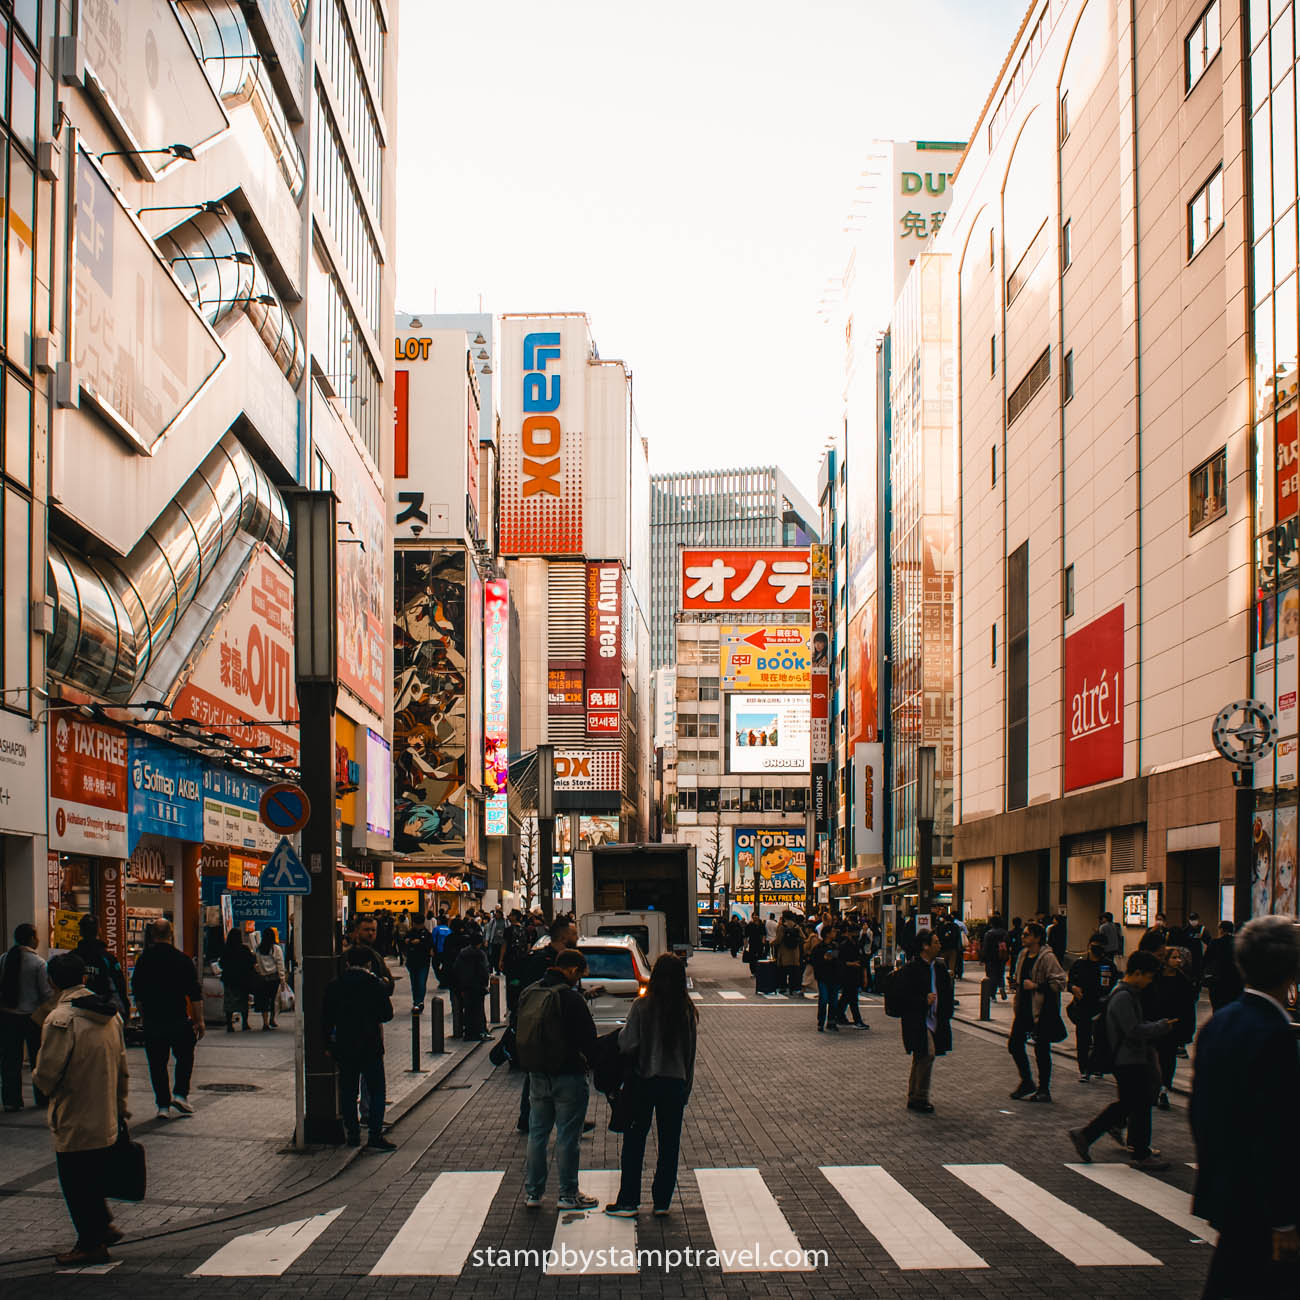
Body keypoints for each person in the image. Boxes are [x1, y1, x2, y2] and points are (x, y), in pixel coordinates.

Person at [1190, 915, 1300, 1298]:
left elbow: (1201, 1114)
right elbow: (1278, 1132)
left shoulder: (1218, 1025)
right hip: (1263, 1206)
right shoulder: (1278, 1036)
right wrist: (1285, 1219)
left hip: (1226, 1191)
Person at [32, 953, 129, 1266]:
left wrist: (39, 1083)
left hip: (74, 1115)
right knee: (91, 1177)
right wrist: (121, 1107)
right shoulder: (111, 1015)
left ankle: (91, 1243)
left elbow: (47, 1073)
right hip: (106, 1113)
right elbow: (123, 1066)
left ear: (52, 981)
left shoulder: (61, 1020)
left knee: (75, 1183)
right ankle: (103, 1225)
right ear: (84, 978)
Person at [604, 954, 699, 1218]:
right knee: (669, 1144)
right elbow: (690, 1054)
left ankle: (629, 1200)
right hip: (675, 1083)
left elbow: (627, 1043)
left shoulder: (642, 1006)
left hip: (643, 1080)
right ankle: (662, 1201)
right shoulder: (686, 1009)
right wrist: (686, 1087)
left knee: (635, 1142)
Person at [1068, 950, 1175, 1170]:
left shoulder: (1127, 993)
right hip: (1127, 1059)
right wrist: (1161, 1027)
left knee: (1132, 1104)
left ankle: (1090, 1136)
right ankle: (1132, 1149)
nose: (1149, 981)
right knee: (1136, 1103)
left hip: (1128, 1058)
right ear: (1137, 973)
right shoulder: (1124, 996)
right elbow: (1133, 1030)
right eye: (1148, 976)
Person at [518, 949, 599, 1210]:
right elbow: (589, 1040)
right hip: (568, 1075)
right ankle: (567, 1194)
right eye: (580, 974)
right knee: (567, 1137)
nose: (580, 979)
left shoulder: (531, 992)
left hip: (537, 1073)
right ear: (572, 970)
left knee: (537, 1135)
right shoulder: (571, 999)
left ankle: (533, 1192)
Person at [322, 946, 396, 1150]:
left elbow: (326, 1018)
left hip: (345, 1045)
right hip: (370, 1045)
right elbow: (387, 1015)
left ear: (347, 963)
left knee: (348, 1091)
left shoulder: (335, 985)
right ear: (369, 964)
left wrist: (328, 1044)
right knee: (376, 1090)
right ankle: (375, 1134)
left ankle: (352, 1134)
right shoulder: (376, 985)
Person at [129, 919, 204, 1119]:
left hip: (154, 1021)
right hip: (178, 1018)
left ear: (152, 935)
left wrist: (144, 1018)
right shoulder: (182, 960)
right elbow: (194, 993)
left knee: (157, 1064)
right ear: (171, 934)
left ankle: (162, 1105)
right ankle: (180, 1093)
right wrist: (199, 1020)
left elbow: (138, 994)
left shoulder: (144, 960)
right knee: (185, 1056)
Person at [512, 915, 580, 1133]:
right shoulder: (540, 961)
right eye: (574, 934)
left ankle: (538, 1117)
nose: (577, 937)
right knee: (537, 1073)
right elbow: (532, 994)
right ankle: (533, 1117)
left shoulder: (567, 959)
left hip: (558, 1028)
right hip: (541, 1028)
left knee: (538, 1074)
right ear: (563, 937)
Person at [1007, 921, 1068, 1102]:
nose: (1022, 937)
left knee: (1042, 1050)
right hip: (1024, 1007)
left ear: (1037, 937)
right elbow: (1020, 978)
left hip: (1042, 1010)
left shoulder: (1047, 957)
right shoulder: (1023, 954)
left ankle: (1044, 1089)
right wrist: (1016, 985)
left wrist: (1036, 986)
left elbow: (1060, 983)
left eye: (1026, 934)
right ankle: (1027, 1081)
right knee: (1014, 1044)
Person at [0, 922, 53, 1111]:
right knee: (37, 1059)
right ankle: (41, 1097)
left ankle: (11, 1099)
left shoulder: (5, 958)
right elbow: (46, 993)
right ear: (31, 938)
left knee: (10, 1060)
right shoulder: (38, 963)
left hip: (7, 1016)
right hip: (32, 1017)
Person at [899, 929, 952, 1114]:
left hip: (935, 1018)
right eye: (935, 942)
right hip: (918, 1018)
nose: (939, 945)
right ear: (925, 946)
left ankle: (914, 1095)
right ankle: (920, 1096)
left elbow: (946, 992)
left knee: (921, 1055)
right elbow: (904, 997)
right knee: (927, 1053)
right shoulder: (912, 969)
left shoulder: (939, 967)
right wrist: (923, 1000)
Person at [1152, 943, 1197, 1109]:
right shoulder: (1154, 978)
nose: (1178, 960)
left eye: (1179, 958)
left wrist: (1186, 1032)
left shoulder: (1183, 981)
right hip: (1154, 1025)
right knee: (1154, 1058)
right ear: (1165, 960)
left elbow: (1188, 1008)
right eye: (1174, 957)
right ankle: (1155, 1088)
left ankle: (1163, 1089)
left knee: (1168, 1059)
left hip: (1173, 1027)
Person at [1067, 937, 1117, 1081]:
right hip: (1082, 1006)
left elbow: (1113, 984)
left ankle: (1097, 1067)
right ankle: (1084, 1069)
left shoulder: (1108, 965)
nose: (1098, 949)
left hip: (1101, 1007)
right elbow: (1070, 982)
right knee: (1083, 1039)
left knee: (1100, 1040)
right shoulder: (1080, 964)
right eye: (1095, 946)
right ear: (1089, 946)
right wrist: (1073, 988)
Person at [72, 915, 128, 1016]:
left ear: (80, 932)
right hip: (103, 1011)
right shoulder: (108, 958)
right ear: (99, 931)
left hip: (76, 1011)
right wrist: (125, 1011)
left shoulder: (72, 957)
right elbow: (119, 986)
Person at [453, 928, 492, 1040]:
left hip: (465, 985)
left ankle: (469, 1032)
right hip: (478, 985)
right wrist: (485, 984)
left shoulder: (463, 953)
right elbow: (484, 970)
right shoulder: (480, 954)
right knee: (478, 1009)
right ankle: (480, 1031)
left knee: (468, 1009)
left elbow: (456, 968)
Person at [219, 929, 255, 1032]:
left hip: (229, 979)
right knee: (243, 1002)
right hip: (242, 980)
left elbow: (221, 963)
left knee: (229, 1002)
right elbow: (251, 961)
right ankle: (245, 1023)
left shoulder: (226, 949)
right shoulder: (244, 949)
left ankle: (229, 1025)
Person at [1203, 921, 1244, 1010]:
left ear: (1221, 930)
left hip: (1218, 981)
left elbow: (1205, 960)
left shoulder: (1215, 943)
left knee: (1218, 1007)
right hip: (1236, 981)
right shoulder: (1239, 943)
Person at [252, 926, 287, 1030]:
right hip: (274, 978)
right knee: (273, 1000)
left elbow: (257, 964)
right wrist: (282, 978)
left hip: (262, 978)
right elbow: (280, 964)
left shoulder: (258, 949)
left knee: (264, 1000)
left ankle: (265, 1022)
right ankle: (272, 1019)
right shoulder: (276, 949)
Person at [835, 925, 869, 1029]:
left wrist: (864, 976)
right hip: (847, 975)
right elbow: (839, 962)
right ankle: (857, 1020)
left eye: (857, 933)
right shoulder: (844, 946)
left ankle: (839, 1015)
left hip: (856, 974)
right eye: (853, 933)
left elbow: (863, 960)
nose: (855, 935)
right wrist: (851, 964)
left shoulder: (858, 945)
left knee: (846, 997)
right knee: (853, 998)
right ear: (848, 934)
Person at [809, 925, 841, 1032]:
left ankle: (831, 1021)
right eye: (833, 931)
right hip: (823, 977)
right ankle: (821, 1021)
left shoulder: (835, 946)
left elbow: (838, 959)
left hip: (834, 977)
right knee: (824, 999)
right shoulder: (819, 948)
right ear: (827, 934)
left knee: (833, 1001)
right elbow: (814, 961)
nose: (834, 933)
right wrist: (824, 959)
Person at [401, 914, 434, 1012]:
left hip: (423, 962)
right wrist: (411, 942)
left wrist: (419, 942)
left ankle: (420, 1002)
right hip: (412, 961)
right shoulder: (410, 932)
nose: (416, 926)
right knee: (414, 983)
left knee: (421, 982)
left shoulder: (427, 934)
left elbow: (430, 946)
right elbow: (405, 942)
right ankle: (416, 1002)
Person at [773, 912, 805, 996]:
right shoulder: (797, 927)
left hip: (784, 954)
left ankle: (783, 987)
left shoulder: (782, 927)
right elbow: (803, 938)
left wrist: (773, 943)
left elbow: (778, 940)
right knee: (793, 973)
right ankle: (793, 988)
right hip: (794, 954)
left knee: (782, 972)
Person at [982, 914, 1009, 1001]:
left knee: (991, 975)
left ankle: (992, 995)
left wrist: (983, 958)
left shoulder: (989, 934)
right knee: (1000, 974)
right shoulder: (1005, 933)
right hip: (1001, 956)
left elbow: (985, 947)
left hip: (991, 958)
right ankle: (1001, 987)